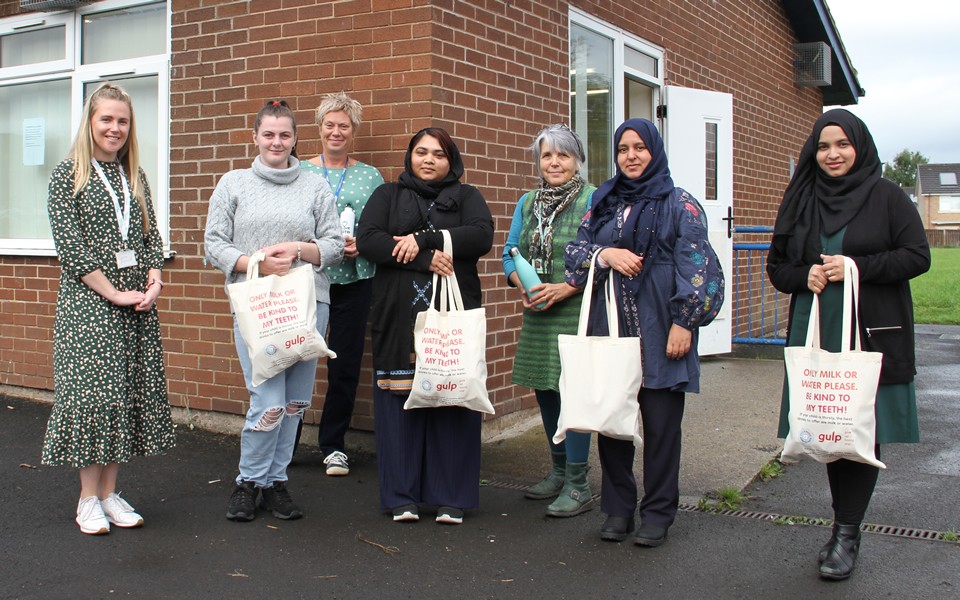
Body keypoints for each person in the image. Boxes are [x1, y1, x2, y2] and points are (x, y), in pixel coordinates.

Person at [767, 109, 930, 580]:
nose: (832, 154)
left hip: (870, 328)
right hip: (816, 328)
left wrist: (855, 266)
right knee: (828, 424)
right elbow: (778, 268)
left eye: (842, 144)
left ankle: (846, 532)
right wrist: (807, 274)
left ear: (860, 146)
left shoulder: (887, 196)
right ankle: (844, 527)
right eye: (823, 146)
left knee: (860, 430)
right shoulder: (801, 197)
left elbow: (917, 256)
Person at [564, 118, 721, 547]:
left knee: (661, 426)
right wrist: (606, 253)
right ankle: (617, 509)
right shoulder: (603, 200)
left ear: (654, 150)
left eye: (639, 147)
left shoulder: (679, 203)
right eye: (622, 149)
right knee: (613, 421)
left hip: (660, 327)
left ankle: (658, 513)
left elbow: (700, 269)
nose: (630, 156)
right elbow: (575, 256)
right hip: (610, 325)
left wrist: (685, 322)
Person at [42, 82, 176, 535]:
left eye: (122, 120)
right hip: (90, 304)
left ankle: (109, 493)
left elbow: (150, 237)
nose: (114, 128)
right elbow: (72, 249)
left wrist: (155, 279)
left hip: (137, 303)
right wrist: (114, 293)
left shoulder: (133, 175)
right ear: (90, 122)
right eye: (106, 119)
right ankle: (86, 500)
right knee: (95, 398)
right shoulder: (68, 175)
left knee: (125, 395)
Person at [205, 100, 343, 522]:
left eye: (285, 134)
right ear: (255, 137)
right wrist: (256, 262)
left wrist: (300, 249)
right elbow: (213, 243)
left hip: (306, 305)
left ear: (296, 139)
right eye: (269, 134)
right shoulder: (233, 184)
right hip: (257, 306)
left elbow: (335, 246)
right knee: (266, 399)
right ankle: (249, 481)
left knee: (295, 401)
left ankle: (275, 482)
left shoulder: (315, 186)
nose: (277, 142)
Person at [356, 127, 494, 525]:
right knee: (400, 403)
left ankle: (451, 497)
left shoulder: (467, 197)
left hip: (452, 315)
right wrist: (422, 258)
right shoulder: (388, 195)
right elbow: (369, 239)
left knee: (451, 397)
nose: (429, 160)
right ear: (409, 156)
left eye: (439, 154)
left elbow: (481, 236)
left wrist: (424, 238)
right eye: (421, 152)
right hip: (398, 316)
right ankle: (402, 497)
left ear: (452, 162)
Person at [502, 124, 597, 517]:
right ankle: (558, 471)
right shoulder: (527, 202)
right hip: (538, 312)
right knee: (545, 390)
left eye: (564, 155)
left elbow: (601, 253)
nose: (555, 162)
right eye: (547, 155)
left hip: (577, 311)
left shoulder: (595, 199)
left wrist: (565, 288)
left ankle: (579, 484)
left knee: (572, 393)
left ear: (577, 160)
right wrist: (518, 284)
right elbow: (510, 252)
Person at [295, 92, 384, 476]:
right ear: (318, 128)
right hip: (304, 281)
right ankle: (286, 441)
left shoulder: (370, 175)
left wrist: (360, 245)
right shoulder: (298, 171)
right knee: (294, 360)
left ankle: (333, 445)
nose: (336, 132)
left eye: (343, 126)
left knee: (344, 365)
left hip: (353, 279)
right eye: (329, 125)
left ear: (354, 132)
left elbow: (381, 227)